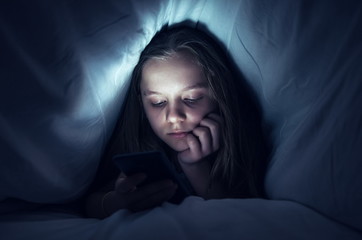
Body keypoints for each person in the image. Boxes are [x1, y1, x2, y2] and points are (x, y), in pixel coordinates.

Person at [85, 25, 267, 219]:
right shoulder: (134, 146)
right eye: (158, 102)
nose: (173, 116)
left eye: (191, 98)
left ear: (219, 93)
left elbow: (241, 219)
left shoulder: (245, 145)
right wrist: (116, 203)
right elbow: (89, 204)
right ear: (142, 103)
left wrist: (195, 166)